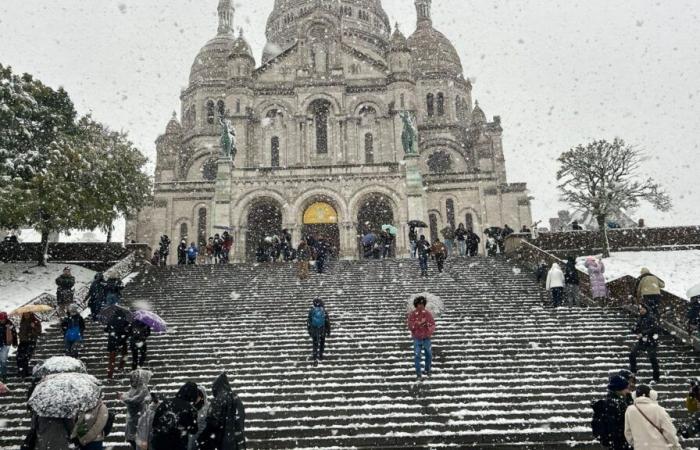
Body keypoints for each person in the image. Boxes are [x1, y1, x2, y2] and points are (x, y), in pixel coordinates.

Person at [624, 384, 681, 449]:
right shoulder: (658, 409)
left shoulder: (630, 410)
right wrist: (675, 445)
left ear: (634, 395)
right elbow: (669, 431)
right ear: (651, 395)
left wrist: (638, 444)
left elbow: (628, 433)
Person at [198, 374, 246, 450]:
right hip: (236, 439)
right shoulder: (236, 398)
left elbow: (212, 421)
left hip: (222, 440)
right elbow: (241, 416)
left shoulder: (217, 400)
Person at [151, 382, 199, 450]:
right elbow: (194, 430)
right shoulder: (190, 409)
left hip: (160, 442)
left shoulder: (165, 403)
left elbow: (154, 423)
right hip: (178, 444)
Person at [591, 375, 632, 449]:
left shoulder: (624, 401)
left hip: (618, 443)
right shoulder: (612, 405)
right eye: (625, 388)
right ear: (618, 389)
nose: (628, 391)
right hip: (619, 443)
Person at [121, 369, 153, 450]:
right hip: (134, 420)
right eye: (131, 378)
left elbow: (135, 400)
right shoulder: (133, 389)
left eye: (134, 378)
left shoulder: (143, 389)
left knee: (139, 443)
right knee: (135, 442)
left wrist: (124, 398)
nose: (132, 380)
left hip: (140, 421)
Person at [629, 305, 661, 383]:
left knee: (653, 358)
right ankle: (633, 371)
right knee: (632, 354)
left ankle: (656, 377)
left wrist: (643, 333)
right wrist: (634, 329)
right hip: (642, 341)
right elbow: (637, 328)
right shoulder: (639, 318)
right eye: (640, 309)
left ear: (646, 309)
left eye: (643, 309)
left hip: (651, 341)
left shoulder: (651, 317)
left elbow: (654, 328)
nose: (642, 311)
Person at [407, 296, 436, 380]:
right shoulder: (412, 314)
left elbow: (432, 324)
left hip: (426, 337)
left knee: (429, 355)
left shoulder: (428, 314)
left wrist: (427, 326)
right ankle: (418, 373)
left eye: (422, 304)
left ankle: (427, 370)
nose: (421, 306)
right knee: (417, 355)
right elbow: (410, 326)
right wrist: (416, 324)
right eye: (419, 304)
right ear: (416, 305)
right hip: (417, 338)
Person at [106, 309, 131, 379]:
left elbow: (106, 329)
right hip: (121, 342)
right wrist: (126, 334)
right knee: (125, 355)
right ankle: (120, 367)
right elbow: (128, 330)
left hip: (112, 342)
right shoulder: (124, 321)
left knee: (112, 359)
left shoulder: (110, 321)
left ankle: (110, 374)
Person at [16, 312, 41, 378]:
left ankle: (24, 372)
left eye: (27, 314)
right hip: (23, 342)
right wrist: (20, 334)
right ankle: (22, 371)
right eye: (24, 314)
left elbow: (39, 332)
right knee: (19, 357)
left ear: (30, 314)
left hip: (31, 341)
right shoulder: (23, 322)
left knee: (26, 357)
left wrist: (34, 327)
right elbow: (21, 332)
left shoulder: (35, 321)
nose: (26, 315)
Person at [307, 299, 331, 365]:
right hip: (322, 329)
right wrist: (328, 330)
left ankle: (315, 356)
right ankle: (321, 354)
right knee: (322, 341)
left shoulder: (312, 311)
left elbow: (309, 321)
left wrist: (309, 330)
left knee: (315, 342)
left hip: (314, 329)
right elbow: (327, 321)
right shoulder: (323, 311)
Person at [188, 385, 210, 450]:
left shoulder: (207, 408)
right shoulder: (191, 407)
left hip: (203, 439)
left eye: (197, 396)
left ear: (202, 396)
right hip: (192, 438)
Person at [0, 311, 18, 383]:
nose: (1, 320)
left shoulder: (9, 324)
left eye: (3, 319)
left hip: (5, 344)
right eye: (0, 319)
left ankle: (4, 376)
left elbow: (14, 333)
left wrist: (15, 342)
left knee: (3, 360)